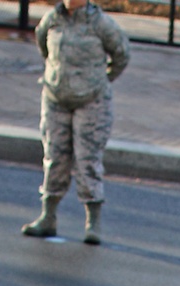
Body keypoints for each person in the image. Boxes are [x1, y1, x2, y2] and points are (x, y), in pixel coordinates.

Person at [22, 0, 130, 245]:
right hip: (56, 98)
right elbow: (43, 44)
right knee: (55, 157)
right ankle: (48, 217)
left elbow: (122, 54)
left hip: (91, 101)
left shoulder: (101, 24)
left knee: (87, 160)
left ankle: (93, 222)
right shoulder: (52, 19)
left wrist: (101, 81)